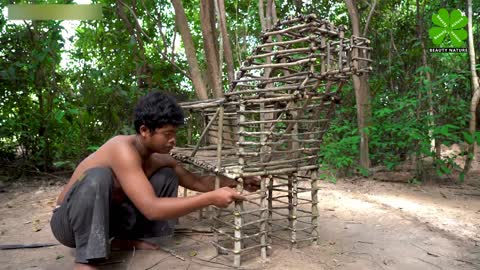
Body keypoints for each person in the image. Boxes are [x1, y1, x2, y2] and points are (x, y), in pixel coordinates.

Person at [50, 92, 260, 270]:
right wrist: (210, 198)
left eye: (174, 133)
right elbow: (151, 208)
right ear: (144, 131)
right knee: (99, 176)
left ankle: (125, 239)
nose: (173, 140)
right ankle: (87, 259)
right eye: (167, 134)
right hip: (68, 224)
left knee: (167, 174)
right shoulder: (121, 149)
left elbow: (198, 182)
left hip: (107, 221)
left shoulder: (159, 158)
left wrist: (236, 182)